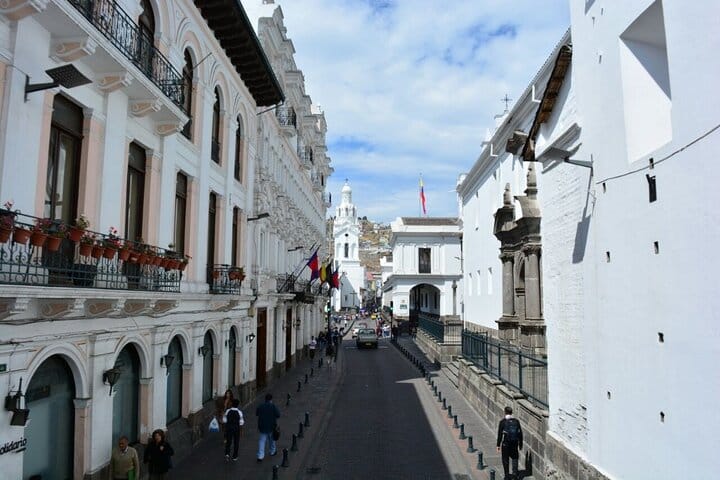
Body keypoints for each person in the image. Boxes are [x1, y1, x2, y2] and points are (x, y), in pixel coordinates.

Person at [496, 406, 523, 480]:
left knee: (505, 459)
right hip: (514, 443)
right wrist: (520, 444)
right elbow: (520, 433)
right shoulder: (516, 421)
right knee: (515, 458)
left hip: (506, 444)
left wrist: (498, 445)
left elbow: (500, 435)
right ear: (511, 412)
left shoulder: (502, 422)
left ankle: (507, 476)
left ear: (505, 412)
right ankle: (515, 474)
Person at [256, 393, 280, 462]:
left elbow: (257, 413)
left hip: (262, 427)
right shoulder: (273, 406)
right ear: (271, 399)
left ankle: (260, 456)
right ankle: (272, 451)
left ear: (265, 399)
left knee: (262, 441)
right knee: (272, 440)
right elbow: (278, 415)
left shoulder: (260, 406)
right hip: (272, 427)